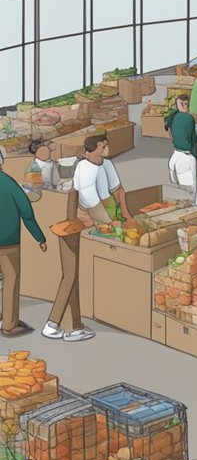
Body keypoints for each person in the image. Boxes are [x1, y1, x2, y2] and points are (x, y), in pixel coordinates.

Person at [46, 133, 131, 343]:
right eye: (102, 147)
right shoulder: (84, 168)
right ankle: (61, 325)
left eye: (106, 146)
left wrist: (126, 214)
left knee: (73, 275)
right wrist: (109, 223)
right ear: (88, 152)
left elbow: (118, 190)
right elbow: (90, 200)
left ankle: (65, 325)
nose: (105, 150)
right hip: (79, 221)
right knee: (71, 275)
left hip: (100, 218)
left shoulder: (107, 165)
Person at [0, 157, 46, 338]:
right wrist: (39, 237)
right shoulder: (8, 183)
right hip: (8, 243)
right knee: (11, 279)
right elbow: (26, 211)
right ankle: (9, 325)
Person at [165, 94, 197, 206]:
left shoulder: (173, 117)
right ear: (181, 104)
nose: (186, 106)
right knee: (191, 190)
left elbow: (169, 130)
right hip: (186, 156)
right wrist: (194, 154)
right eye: (185, 104)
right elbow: (193, 138)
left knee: (181, 189)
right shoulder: (188, 119)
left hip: (176, 154)